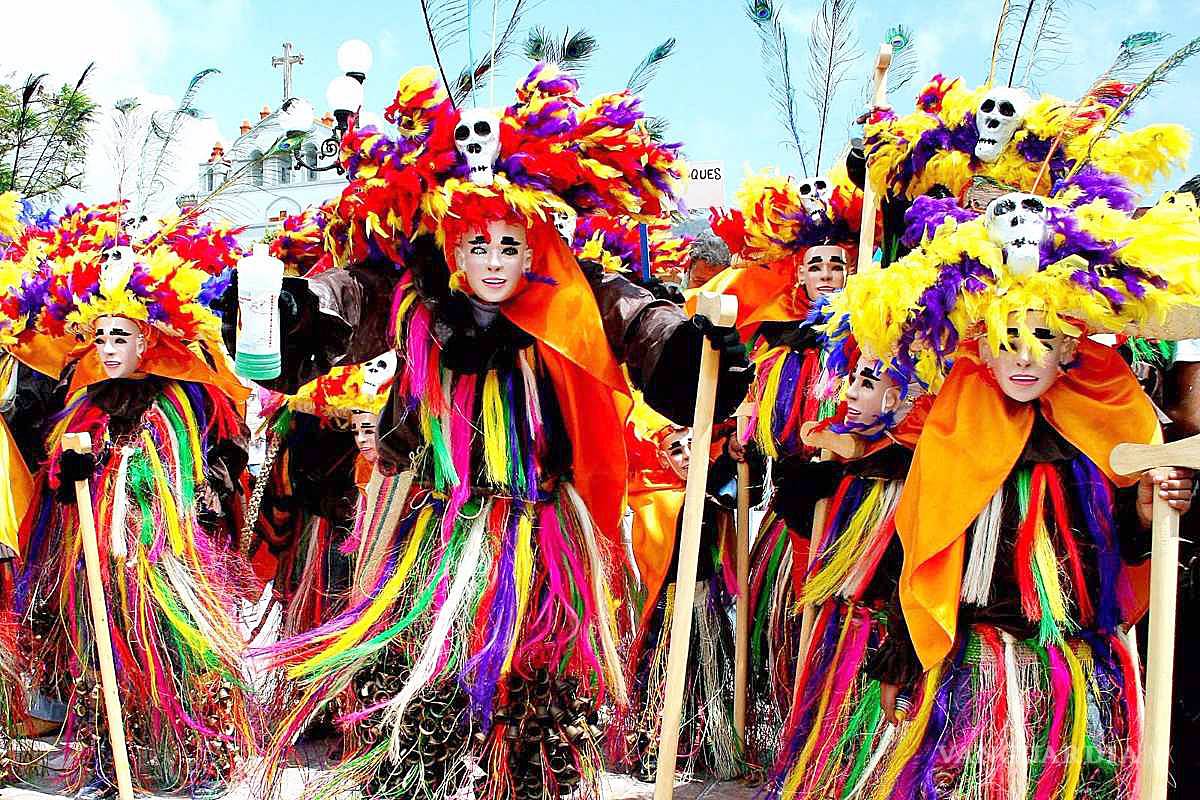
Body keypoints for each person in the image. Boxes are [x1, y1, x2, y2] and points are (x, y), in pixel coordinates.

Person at [245, 64, 751, 800]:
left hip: (542, 522)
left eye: (508, 246)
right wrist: (294, 310)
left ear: (533, 244)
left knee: (538, 696)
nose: (492, 263)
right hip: (437, 520)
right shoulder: (419, 301)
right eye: (477, 246)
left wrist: (689, 354)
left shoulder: (572, 296)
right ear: (451, 246)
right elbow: (349, 299)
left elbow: (639, 322)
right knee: (425, 691)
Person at [824, 175, 1200, 799]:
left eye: (1043, 340)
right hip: (972, 660)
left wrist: (1147, 505)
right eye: (1008, 341)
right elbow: (921, 542)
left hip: (1068, 659)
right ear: (981, 351)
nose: (1024, 359)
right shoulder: (954, 430)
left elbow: (1123, 550)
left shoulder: (1101, 430)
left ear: (1072, 352)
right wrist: (900, 647)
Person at [6, 202, 259, 799]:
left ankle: (193, 759)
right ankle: (106, 760)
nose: (110, 346)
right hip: (97, 561)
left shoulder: (184, 400)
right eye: (101, 336)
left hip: (161, 558)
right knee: (99, 656)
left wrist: (127, 473)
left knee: (174, 654)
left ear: (149, 339)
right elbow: (58, 483)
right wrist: (70, 471)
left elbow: (197, 475)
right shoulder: (86, 401)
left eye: (122, 335)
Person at [699, 169, 862, 769]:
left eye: (835, 266)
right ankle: (796, 727)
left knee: (841, 610)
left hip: (852, 493)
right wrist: (740, 441)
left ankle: (836, 732)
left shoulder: (864, 334)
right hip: (795, 491)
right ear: (797, 271)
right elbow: (752, 401)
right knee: (796, 607)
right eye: (814, 265)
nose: (824, 275)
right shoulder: (776, 335)